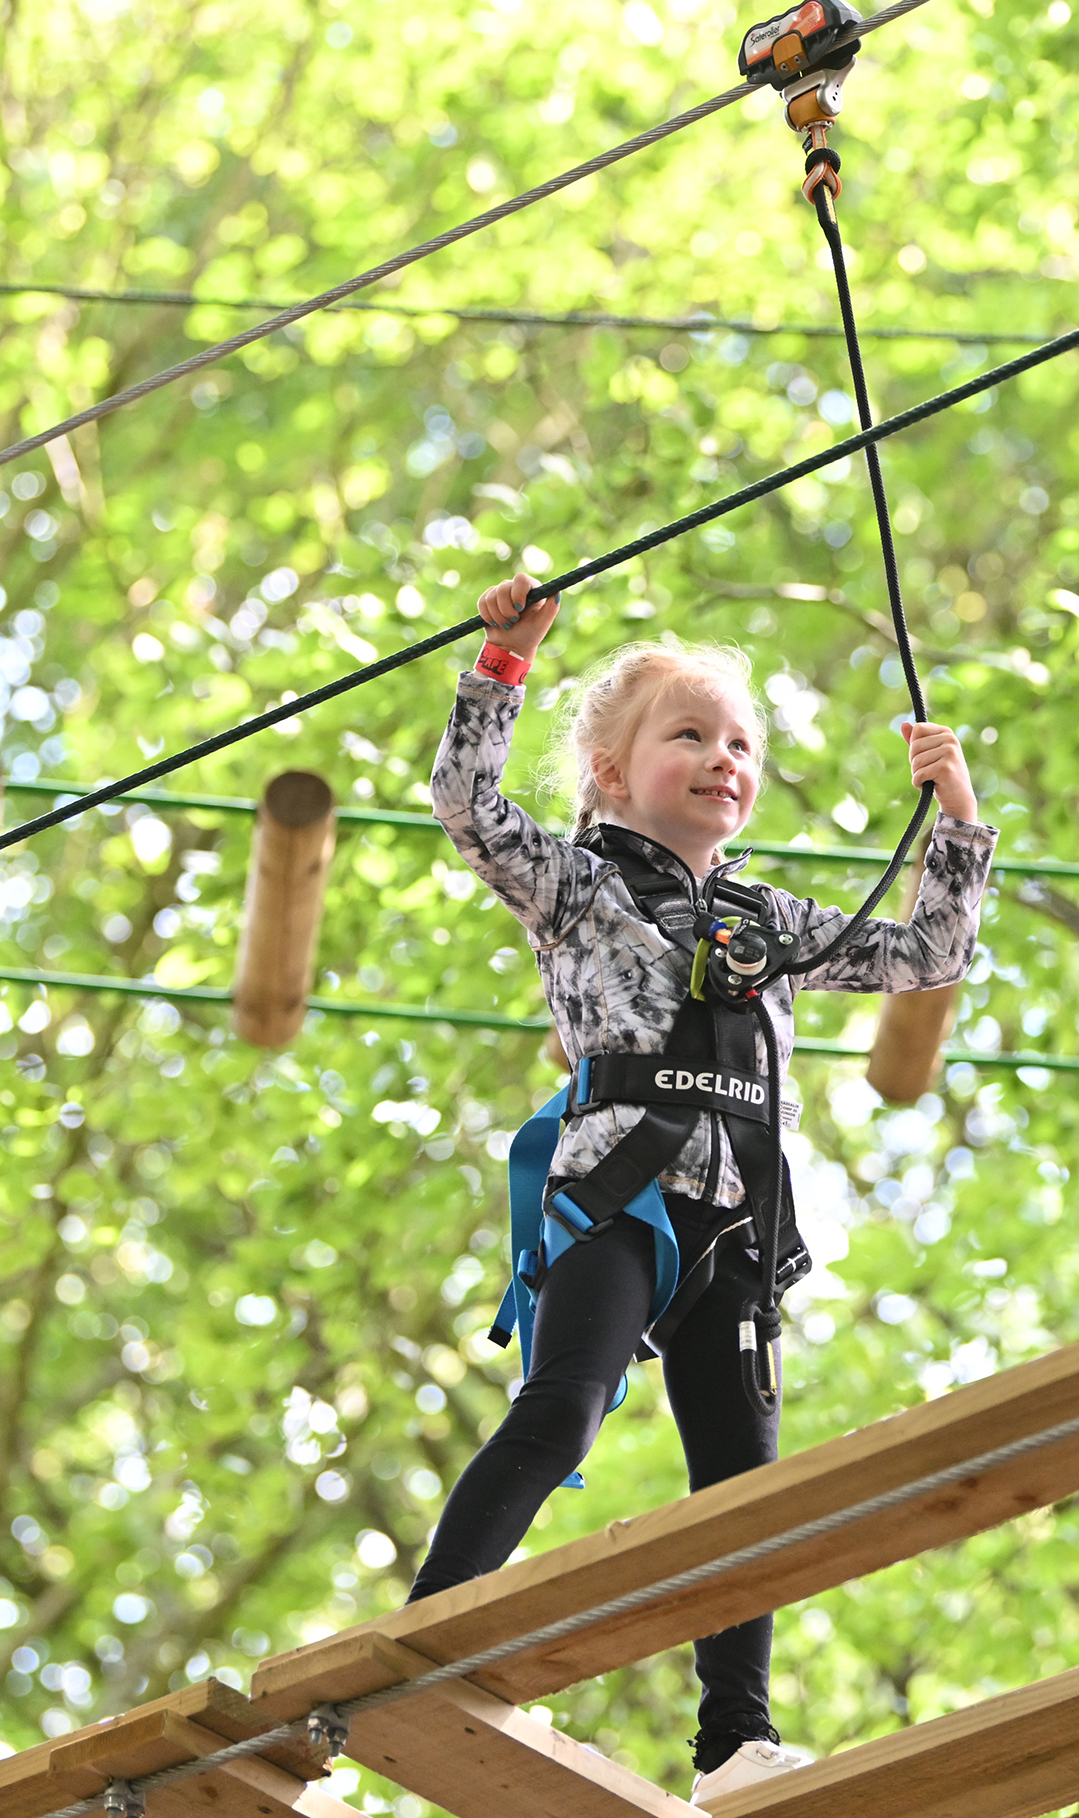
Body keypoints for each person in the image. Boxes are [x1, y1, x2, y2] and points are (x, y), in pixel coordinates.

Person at [408, 569, 993, 1805]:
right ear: (614, 773)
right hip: (619, 1195)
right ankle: (432, 1628)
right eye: (690, 734)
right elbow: (466, 803)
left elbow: (930, 951)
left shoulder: (764, 916)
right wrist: (502, 665)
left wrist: (953, 813)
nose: (723, 759)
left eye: (741, 743)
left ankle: (734, 1738)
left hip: (735, 1216)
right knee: (564, 1408)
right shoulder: (577, 880)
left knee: (743, 1483)